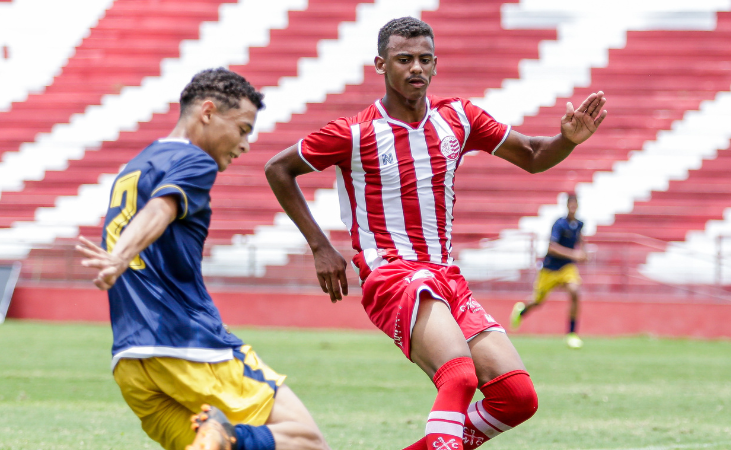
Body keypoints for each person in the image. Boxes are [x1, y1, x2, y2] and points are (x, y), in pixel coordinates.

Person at [265, 17, 606, 450]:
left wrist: (567, 139)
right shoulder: (354, 132)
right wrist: (320, 246)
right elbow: (278, 168)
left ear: (436, 65)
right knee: (459, 375)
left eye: (425, 60)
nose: (416, 69)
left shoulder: (458, 117)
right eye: (403, 59)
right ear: (380, 64)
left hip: (445, 276)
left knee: (516, 398)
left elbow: (535, 156)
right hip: (392, 274)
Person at [77, 69, 329, 450]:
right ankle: (227, 435)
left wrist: (119, 256)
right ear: (207, 112)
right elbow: (160, 210)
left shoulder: (139, 163)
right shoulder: (196, 161)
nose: (245, 144)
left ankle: (222, 438)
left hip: (131, 361)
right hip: (189, 345)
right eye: (243, 129)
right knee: (305, 440)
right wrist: (120, 257)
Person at [510, 194, 587, 349]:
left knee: (575, 291)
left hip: (567, 268)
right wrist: (574, 254)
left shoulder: (579, 224)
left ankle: (571, 334)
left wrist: (584, 253)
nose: (573, 208)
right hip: (550, 269)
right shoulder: (559, 224)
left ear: (577, 206)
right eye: (570, 205)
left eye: (575, 205)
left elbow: (581, 240)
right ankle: (522, 310)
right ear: (567, 206)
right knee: (537, 301)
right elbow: (551, 247)